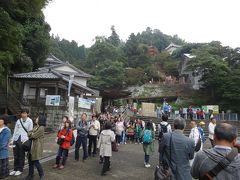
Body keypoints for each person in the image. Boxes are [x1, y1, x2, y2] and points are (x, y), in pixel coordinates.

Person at [10, 109, 33, 176]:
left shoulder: (30, 121)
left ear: (27, 114)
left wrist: (27, 140)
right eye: (22, 113)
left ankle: (20, 169)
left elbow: (30, 132)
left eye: (25, 113)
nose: (23, 114)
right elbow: (15, 131)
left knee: (21, 155)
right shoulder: (18, 121)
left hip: (23, 140)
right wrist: (12, 140)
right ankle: (15, 169)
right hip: (16, 139)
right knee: (15, 155)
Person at [24, 115, 46, 180]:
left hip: (36, 148)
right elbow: (29, 133)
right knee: (30, 162)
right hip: (31, 147)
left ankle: (41, 174)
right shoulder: (36, 126)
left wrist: (31, 134)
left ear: (40, 120)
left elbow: (33, 136)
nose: (36, 119)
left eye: (37, 118)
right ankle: (30, 175)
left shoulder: (41, 128)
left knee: (36, 162)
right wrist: (31, 134)